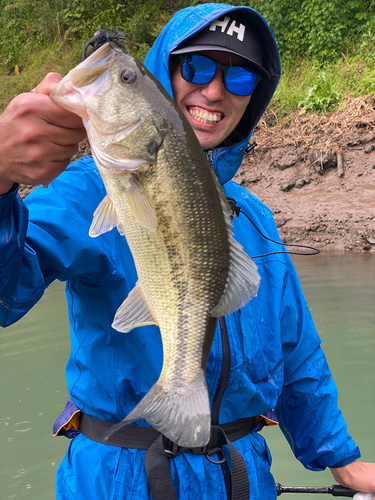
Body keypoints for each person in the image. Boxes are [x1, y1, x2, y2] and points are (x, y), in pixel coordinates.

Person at [0, 3, 374, 500]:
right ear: (163, 74)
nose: (215, 91)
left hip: (242, 477)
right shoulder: (87, 189)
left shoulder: (254, 216)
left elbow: (296, 350)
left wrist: (341, 460)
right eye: (196, 67)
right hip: (119, 478)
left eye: (241, 79)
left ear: (254, 99)